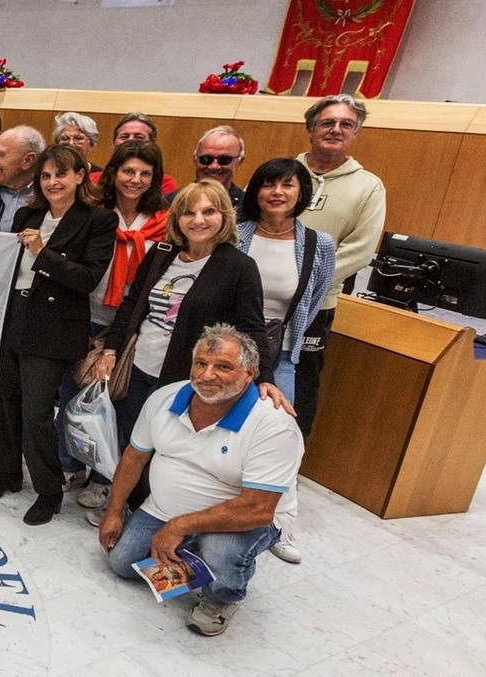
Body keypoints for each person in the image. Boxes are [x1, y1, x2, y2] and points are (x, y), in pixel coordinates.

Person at [85, 181, 278, 516]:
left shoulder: (239, 267)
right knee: (132, 439)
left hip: (185, 379)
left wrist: (266, 377)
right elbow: (132, 307)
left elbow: (251, 327)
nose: (198, 220)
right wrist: (111, 351)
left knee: (166, 448)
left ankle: (152, 512)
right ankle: (122, 506)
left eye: (208, 211)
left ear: (224, 217)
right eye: (189, 212)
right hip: (138, 367)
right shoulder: (161, 254)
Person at [99, 326, 302, 637]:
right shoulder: (165, 398)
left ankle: (223, 597)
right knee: (122, 563)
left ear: (250, 373)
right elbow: (133, 458)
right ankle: (193, 549)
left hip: (246, 518)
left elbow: (258, 510)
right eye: (201, 363)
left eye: (223, 366)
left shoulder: (273, 424)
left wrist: (179, 527)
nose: (208, 375)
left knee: (222, 551)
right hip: (164, 509)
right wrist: (113, 512)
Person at [0, 145, 115, 525]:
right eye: (46, 176)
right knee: (5, 400)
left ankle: (48, 489)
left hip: (54, 326)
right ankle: (7, 471)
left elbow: (87, 278)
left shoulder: (98, 221)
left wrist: (42, 253)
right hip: (15, 314)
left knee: (36, 412)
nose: (53, 182)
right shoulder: (28, 212)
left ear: (80, 177)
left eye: (61, 175)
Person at [236, 158, 336, 566]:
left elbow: (314, 299)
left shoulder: (318, 243)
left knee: (282, 438)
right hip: (229, 350)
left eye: (287, 185)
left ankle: (280, 523)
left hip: (281, 354)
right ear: (256, 191)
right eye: (268, 184)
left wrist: (285, 340)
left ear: (301, 193)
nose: (277, 192)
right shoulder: (237, 233)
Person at [66, 141, 169, 507]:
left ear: (155, 179)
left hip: (127, 325)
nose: (135, 180)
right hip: (83, 314)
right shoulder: (94, 211)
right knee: (73, 395)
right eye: (128, 171)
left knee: (114, 405)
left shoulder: (163, 222)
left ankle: (102, 477)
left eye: (145, 174)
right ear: (113, 173)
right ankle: (72, 463)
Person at [293, 94, 385, 438]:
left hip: (316, 304)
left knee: (300, 384)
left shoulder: (368, 187)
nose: (336, 129)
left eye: (346, 124)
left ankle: (286, 468)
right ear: (311, 129)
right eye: (327, 122)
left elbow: (359, 251)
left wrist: (303, 281)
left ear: (356, 133)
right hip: (264, 295)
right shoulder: (283, 173)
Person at [171, 126, 246, 209]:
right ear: (195, 159)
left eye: (224, 160)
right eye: (206, 159)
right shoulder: (171, 203)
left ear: (239, 162)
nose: (214, 166)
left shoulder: (249, 207)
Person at [112, 113, 178, 193]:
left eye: (138, 137)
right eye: (124, 137)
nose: (130, 141)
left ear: (151, 143)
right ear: (114, 141)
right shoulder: (95, 178)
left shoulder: (165, 183)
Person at [52, 111, 101, 178]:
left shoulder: (101, 176)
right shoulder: (48, 172)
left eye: (78, 138)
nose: (71, 143)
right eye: (65, 138)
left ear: (91, 144)